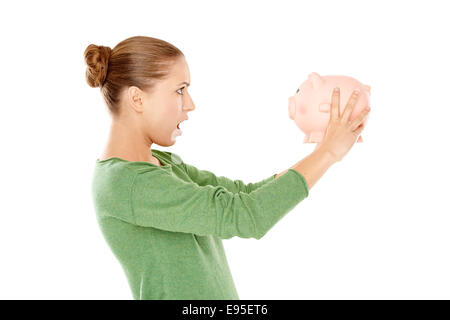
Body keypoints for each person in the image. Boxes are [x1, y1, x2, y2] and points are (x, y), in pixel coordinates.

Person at [85, 36, 370, 300]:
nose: (190, 104)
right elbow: (247, 216)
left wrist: (323, 151)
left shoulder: (161, 163)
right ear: (137, 99)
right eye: (180, 90)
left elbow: (242, 196)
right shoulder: (130, 184)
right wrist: (328, 152)